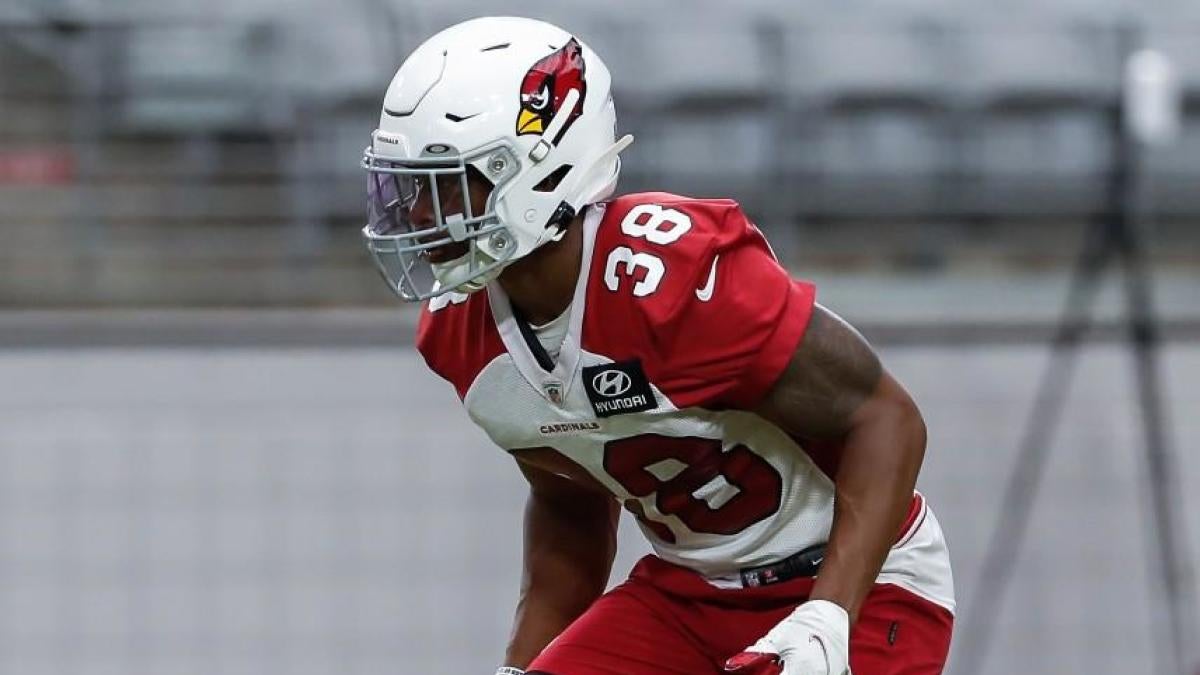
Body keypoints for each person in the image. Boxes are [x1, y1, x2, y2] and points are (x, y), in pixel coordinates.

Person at [361, 16, 955, 675]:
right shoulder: (461, 332)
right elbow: (570, 505)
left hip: (858, 582)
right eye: (411, 186)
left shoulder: (672, 278)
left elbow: (886, 419)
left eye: (444, 184)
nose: (416, 214)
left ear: (537, 169)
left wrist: (827, 615)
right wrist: (522, 663)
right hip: (687, 593)